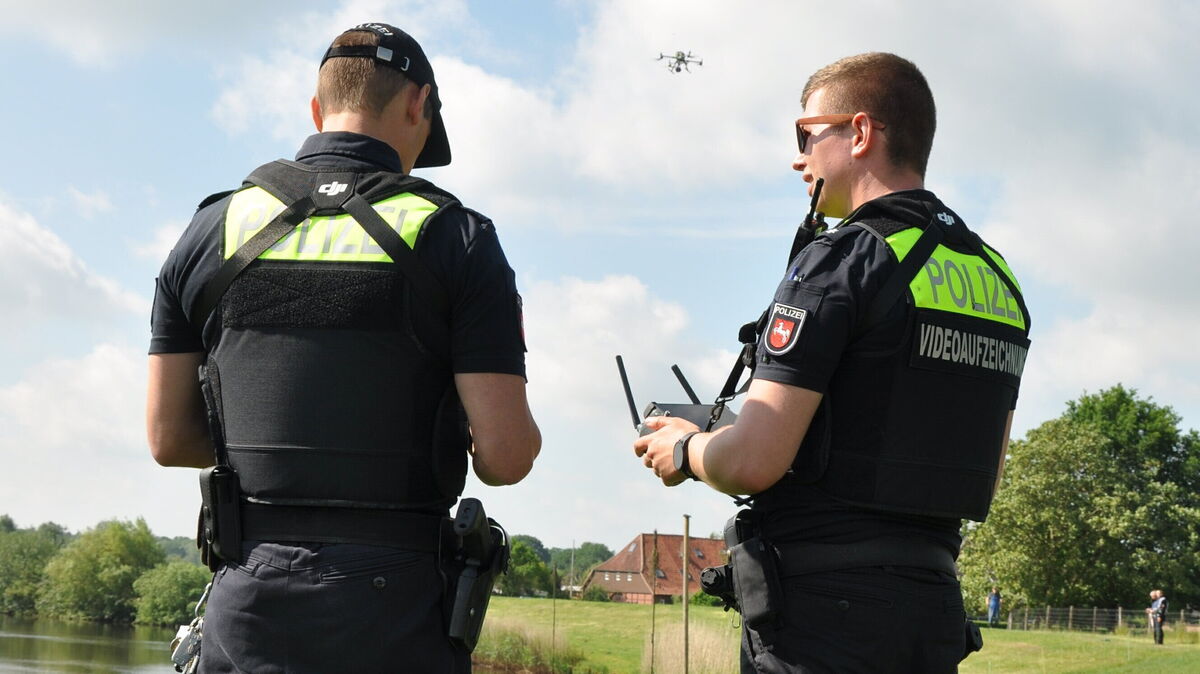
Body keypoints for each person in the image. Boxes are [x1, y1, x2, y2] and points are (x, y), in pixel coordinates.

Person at [146, 22, 540, 672]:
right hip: (397, 615)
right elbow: (505, 456)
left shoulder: (208, 231)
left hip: (248, 604)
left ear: (316, 108)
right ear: (418, 104)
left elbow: (168, 438)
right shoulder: (456, 237)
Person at [633, 52, 1030, 673]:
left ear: (861, 132)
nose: (799, 157)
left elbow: (753, 463)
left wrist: (686, 448)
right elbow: (985, 472)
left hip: (822, 624)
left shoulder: (841, 259)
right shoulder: (997, 279)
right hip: (931, 616)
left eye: (806, 134)